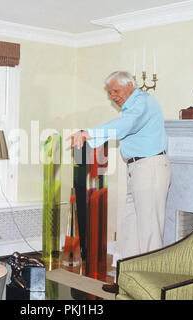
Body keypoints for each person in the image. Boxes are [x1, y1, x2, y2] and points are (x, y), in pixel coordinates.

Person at [68, 71, 172, 293]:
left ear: (131, 85)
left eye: (116, 90)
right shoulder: (132, 107)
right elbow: (125, 124)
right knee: (130, 226)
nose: (113, 96)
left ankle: (151, 286)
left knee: (149, 228)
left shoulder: (142, 103)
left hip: (151, 167)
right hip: (137, 169)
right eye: (110, 92)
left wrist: (89, 134)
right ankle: (127, 281)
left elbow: (126, 125)